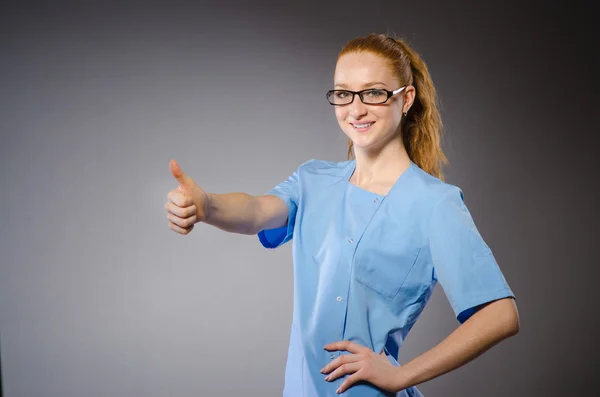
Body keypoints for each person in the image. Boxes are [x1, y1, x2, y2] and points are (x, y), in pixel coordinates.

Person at [164, 33, 519, 397]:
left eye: (374, 93)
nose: (356, 109)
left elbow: (500, 315)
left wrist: (403, 375)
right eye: (344, 93)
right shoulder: (313, 179)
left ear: (406, 98)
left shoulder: (435, 204)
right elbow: (255, 211)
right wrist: (205, 205)